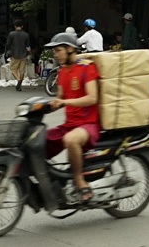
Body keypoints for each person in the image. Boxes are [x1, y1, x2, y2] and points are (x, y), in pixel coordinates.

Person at [45, 32, 100, 204]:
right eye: (54, 51)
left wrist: (64, 101)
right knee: (37, 141)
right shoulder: (62, 72)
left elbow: (92, 98)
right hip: (69, 124)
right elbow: (59, 99)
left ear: (70, 49)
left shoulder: (86, 68)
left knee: (70, 140)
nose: (56, 54)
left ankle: (78, 179)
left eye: (58, 50)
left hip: (88, 125)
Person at [6, 19, 31, 91]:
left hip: (14, 54)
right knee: (22, 71)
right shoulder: (26, 35)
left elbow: (8, 44)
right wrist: (29, 52)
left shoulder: (11, 34)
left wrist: (9, 51)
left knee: (13, 69)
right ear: (22, 26)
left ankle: (18, 79)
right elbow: (28, 46)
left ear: (15, 26)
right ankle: (19, 84)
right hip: (23, 55)